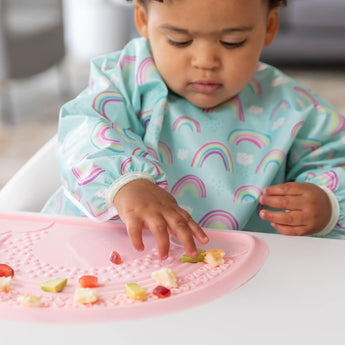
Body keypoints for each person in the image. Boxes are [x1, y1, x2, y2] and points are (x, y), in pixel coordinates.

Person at [43, 0, 345, 260]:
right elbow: (86, 130)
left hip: (237, 276)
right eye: (179, 40)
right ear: (143, 20)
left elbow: (334, 158)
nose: (205, 62)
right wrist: (126, 183)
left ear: (268, 26)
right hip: (115, 260)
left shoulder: (294, 109)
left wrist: (327, 203)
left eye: (232, 42)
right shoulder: (124, 80)